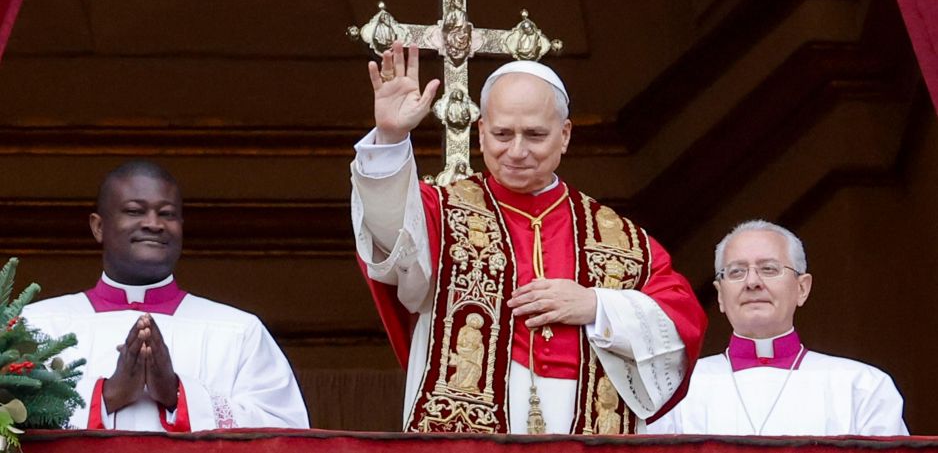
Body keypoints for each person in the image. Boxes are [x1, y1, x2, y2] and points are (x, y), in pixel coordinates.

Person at [350, 41, 707, 434]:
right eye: (502, 134)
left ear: (565, 135)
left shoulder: (620, 240)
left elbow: (682, 325)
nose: (517, 151)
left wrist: (597, 306)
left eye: (535, 135)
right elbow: (391, 235)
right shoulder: (441, 212)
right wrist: (390, 139)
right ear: (481, 132)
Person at [23, 161, 309, 431]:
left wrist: (178, 394)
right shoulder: (36, 326)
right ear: (99, 227)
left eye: (167, 214)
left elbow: (285, 433)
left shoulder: (240, 331)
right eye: (134, 211)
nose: (154, 223)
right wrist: (107, 396)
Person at [648, 220, 908, 436]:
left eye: (769, 269)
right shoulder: (675, 391)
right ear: (720, 295)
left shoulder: (862, 386)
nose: (752, 282)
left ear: (802, 288)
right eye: (736, 272)